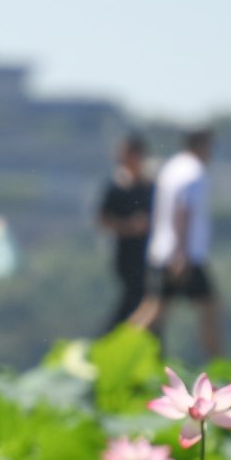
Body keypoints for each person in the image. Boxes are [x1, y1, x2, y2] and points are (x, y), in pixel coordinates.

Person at [132, 128, 221, 358]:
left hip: (163, 250)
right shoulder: (194, 171)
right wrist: (181, 253)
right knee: (210, 308)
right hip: (184, 254)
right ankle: (218, 368)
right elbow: (183, 210)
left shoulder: (172, 167)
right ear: (200, 145)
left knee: (155, 308)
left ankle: (120, 351)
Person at [97, 133, 154, 331]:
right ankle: (109, 339)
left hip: (149, 254)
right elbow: (103, 220)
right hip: (127, 254)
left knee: (150, 302)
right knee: (135, 300)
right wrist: (129, 226)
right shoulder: (116, 188)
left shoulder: (149, 187)